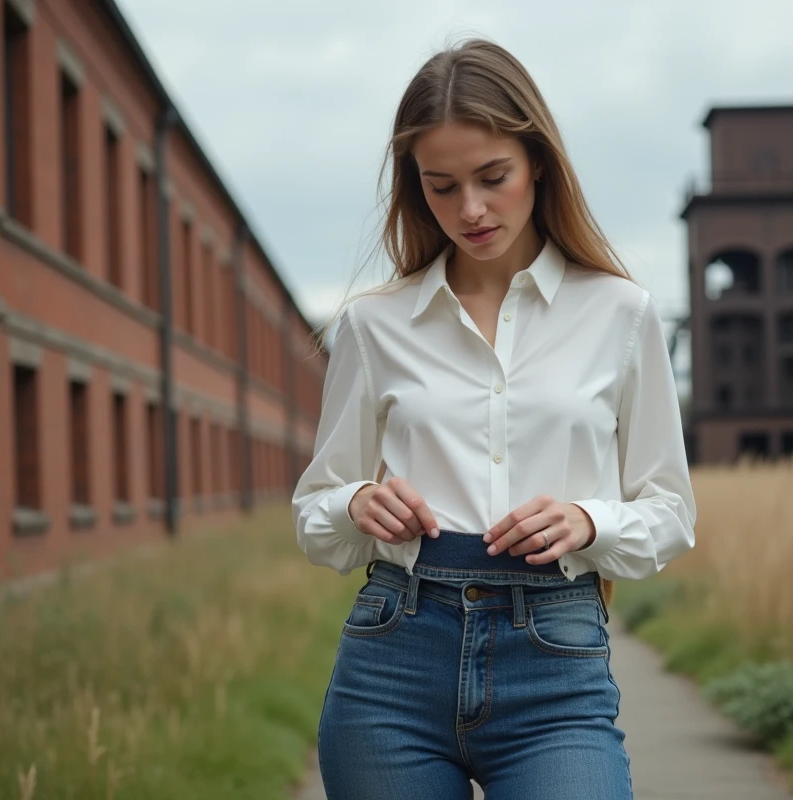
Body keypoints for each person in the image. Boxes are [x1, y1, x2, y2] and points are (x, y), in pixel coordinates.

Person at [291, 36, 697, 800]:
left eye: (492, 177)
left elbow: (672, 512)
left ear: (537, 161)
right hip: (393, 659)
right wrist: (354, 503)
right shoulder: (373, 326)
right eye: (441, 186)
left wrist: (589, 520)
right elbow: (315, 512)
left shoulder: (622, 313)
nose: (470, 210)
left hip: (555, 663)